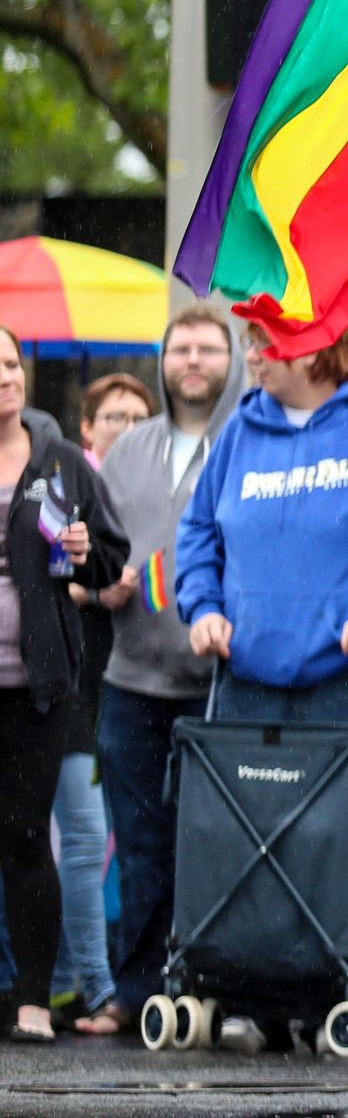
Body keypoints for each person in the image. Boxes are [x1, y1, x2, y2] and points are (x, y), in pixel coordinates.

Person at [173, 323, 348, 1021]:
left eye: (265, 341)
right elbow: (197, 534)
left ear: (316, 348)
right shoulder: (237, 433)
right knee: (241, 838)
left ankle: (340, 990)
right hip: (247, 676)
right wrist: (200, 605)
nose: (251, 354)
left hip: (345, 679)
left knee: (338, 838)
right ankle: (242, 992)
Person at [93, 304, 243, 1029]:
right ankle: (138, 991)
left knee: (213, 843)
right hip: (131, 678)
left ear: (231, 357)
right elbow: (95, 549)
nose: (191, 359)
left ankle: (215, 987)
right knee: (141, 844)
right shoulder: (127, 449)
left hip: (220, 681)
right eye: (180, 347)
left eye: (207, 347)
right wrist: (99, 580)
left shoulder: (250, 440)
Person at [0, 323, 125, 1042]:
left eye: (11, 363)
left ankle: (31, 1002)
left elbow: (110, 558)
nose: (5, 377)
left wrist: (83, 551)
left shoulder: (61, 463)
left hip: (39, 684)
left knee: (23, 837)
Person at [46, 371, 154, 1029]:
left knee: (106, 842)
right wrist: (95, 589)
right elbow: (32, 578)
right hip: (68, 686)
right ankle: (95, 983)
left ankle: (60, 977)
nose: (127, 430)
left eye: (139, 418)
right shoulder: (63, 481)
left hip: (128, 681)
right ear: (88, 428)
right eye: (114, 417)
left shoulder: (150, 487)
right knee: (81, 838)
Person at [80, 375, 153, 467]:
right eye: (117, 418)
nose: (131, 428)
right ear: (87, 428)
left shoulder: (161, 476)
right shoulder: (69, 476)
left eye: (140, 420)